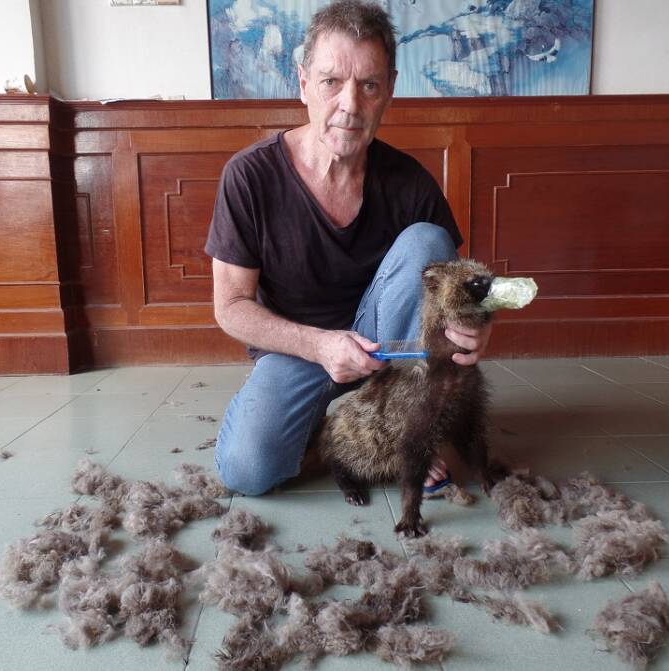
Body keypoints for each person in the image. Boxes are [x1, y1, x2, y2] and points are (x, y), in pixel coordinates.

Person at [205, 0, 492, 496]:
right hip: (299, 348)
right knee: (247, 470)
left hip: (392, 357)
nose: (350, 105)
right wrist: (321, 345)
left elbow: (464, 288)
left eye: (369, 85)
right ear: (303, 84)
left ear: (390, 90)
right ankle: (335, 426)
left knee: (428, 241)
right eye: (331, 81)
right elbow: (230, 307)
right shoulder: (249, 176)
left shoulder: (410, 182)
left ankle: (400, 429)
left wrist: (479, 326)